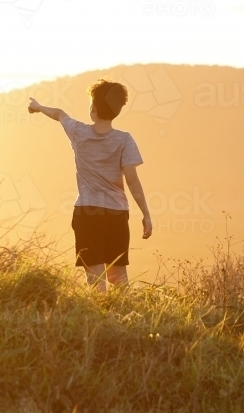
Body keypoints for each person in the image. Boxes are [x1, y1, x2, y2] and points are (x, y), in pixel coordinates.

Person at [28, 79, 152, 291]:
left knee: (95, 279)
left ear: (93, 108)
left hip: (87, 212)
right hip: (117, 213)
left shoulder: (78, 131)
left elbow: (59, 113)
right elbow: (132, 180)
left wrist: (38, 107)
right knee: (118, 276)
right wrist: (146, 214)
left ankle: (99, 321)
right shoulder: (125, 140)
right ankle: (124, 320)